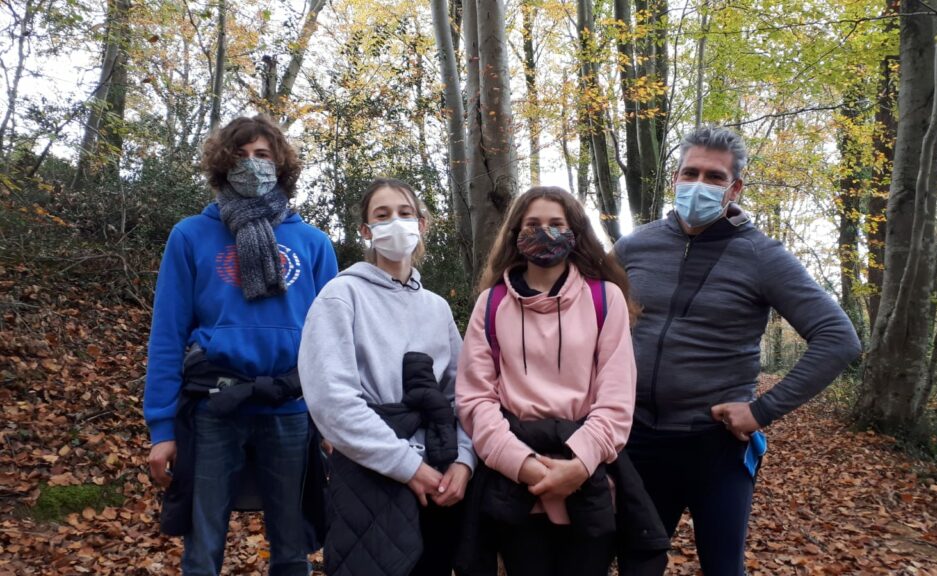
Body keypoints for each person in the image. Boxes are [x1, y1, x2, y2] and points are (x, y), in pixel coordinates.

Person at [613, 126, 862, 575]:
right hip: (639, 438)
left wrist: (762, 410)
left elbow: (838, 338)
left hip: (716, 446)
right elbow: (589, 323)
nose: (699, 184)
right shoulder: (635, 246)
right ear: (675, 177)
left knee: (723, 568)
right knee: (637, 563)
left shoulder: (762, 256)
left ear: (735, 187)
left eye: (714, 176)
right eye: (691, 172)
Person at [144, 114, 338, 575]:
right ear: (222, 164)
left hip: (290, 409)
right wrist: (162, 428)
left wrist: (333, 420)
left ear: (281, 164)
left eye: (263, 155)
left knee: (293, 548)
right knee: (202, 549)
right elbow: (168, 334)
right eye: (241, 155)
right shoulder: (191, 235)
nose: (252, 165)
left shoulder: (313, 243)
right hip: (214, 408)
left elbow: (333, 342)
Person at [456, 186, 668, 576]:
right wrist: (525, 465)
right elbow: (474, 400)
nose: (545, 233)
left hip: (589, 482)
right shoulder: (491, 304)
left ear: (575, 233)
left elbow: (617, 399)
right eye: (533, 224)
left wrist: (579, 465)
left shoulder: (606, 299)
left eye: (557, 224)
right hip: (514, 482)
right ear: (516, 233)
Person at [297, 178, 476, 576]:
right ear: (366, 230)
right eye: (383, 215)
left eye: (405, 213)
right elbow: (333, 402)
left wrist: (464, 461)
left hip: (441, 477)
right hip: (370, 477)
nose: (396, 222)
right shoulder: (340, 297)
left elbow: (462, 395)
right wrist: (406, 467)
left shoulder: (436, 308)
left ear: (422, 224)